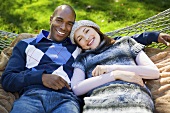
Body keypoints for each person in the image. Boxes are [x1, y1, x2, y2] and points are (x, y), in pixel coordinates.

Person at [1, 4, 170, 113]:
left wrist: (152, 35)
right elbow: (8, 79)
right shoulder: (26, 45)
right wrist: (41, 77)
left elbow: (114, 42)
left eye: (69, 23)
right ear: (51, 19)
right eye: (59, 20)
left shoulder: (78, 47)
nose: (63, 27)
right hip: (32, 96)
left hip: (66, 99)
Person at [69, 20, 162, 113]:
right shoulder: (83, 59)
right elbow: (77, 88)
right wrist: (114, 75)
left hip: (133, 97)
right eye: (80, 39)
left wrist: (112, 68)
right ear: (79, 45)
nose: (86, 38)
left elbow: (153, 72)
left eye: (87, 31)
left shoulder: (125, 43)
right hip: (98, 102)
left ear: (96, 29)